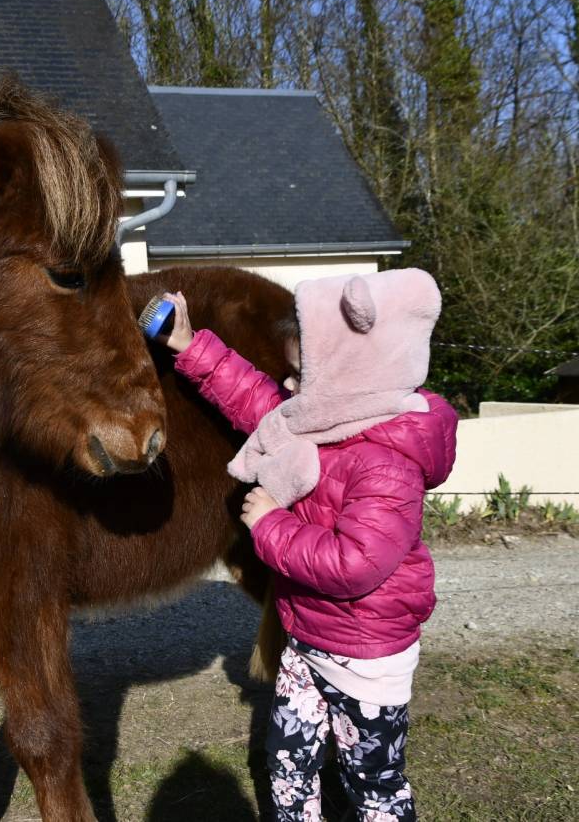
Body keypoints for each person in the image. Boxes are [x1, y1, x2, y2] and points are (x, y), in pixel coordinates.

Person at [158, 270, 458, 822]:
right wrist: (190, 345)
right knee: (288, 767)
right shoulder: (327, 419)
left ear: (354, 376)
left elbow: (357, 565)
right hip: (306, 641)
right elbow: (254, 398)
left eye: (301, 377)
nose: (290, 390)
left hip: (366, 659)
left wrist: (270, 525)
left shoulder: (386, 464)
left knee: (373, 785)